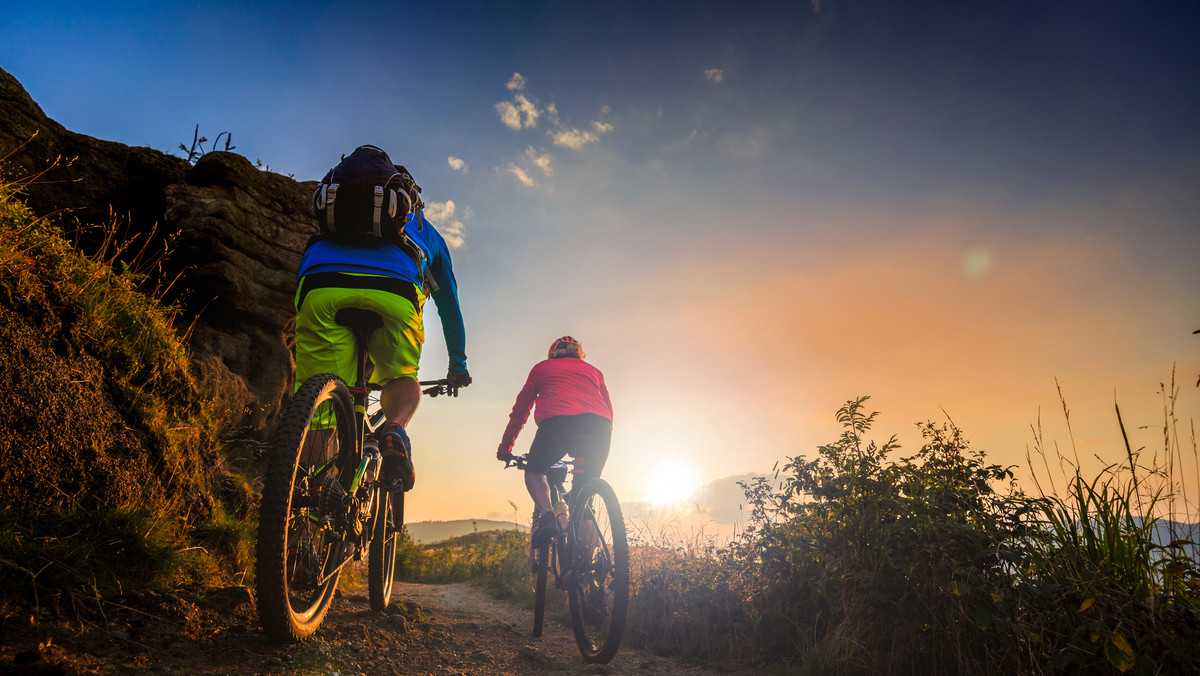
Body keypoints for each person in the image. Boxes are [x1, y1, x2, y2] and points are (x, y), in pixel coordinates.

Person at [294, 145, 470, 491]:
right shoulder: (424, 228)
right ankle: (394, 430)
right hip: (394, 292)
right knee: (401, 378)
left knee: (321, 412)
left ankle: (307, 505)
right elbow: (448, 304)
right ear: (402, 198)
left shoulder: (335, 214)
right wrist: (457, 365)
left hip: (321, 283)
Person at [497, 336, 613, 542]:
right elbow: (609, 411)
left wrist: (505, 447)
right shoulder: (595, 372)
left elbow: (520, 411)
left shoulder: (542, 368)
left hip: (558, 424)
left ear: (553, 353)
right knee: (584, 498)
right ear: (579, 353)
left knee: (534, 471)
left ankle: (547, 516)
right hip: (599, 427)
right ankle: (588, 567)